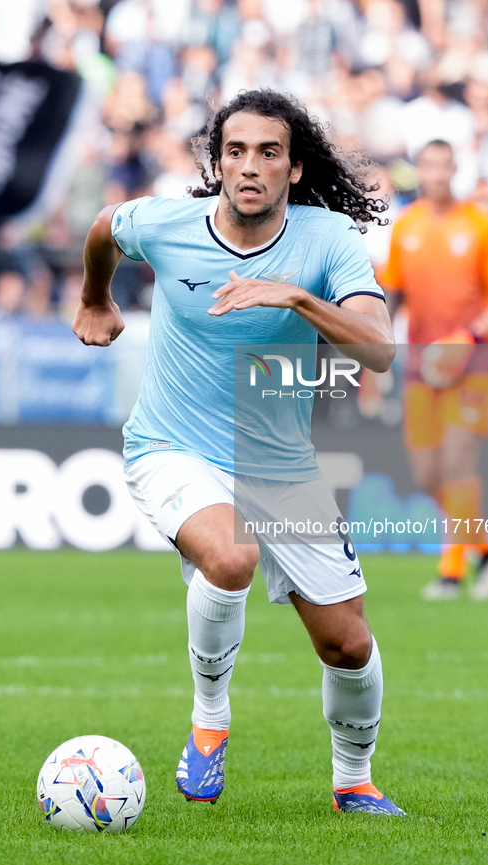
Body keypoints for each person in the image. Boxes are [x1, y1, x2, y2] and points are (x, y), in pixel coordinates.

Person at [72, 89, 405, 816]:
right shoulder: (167, 223)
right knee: (230, 556)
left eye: (268, 152)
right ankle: (209, 721)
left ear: (292, 168)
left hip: (280, 465)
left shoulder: (327, 240)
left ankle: (353, 779)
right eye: (234, 150)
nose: (248, 166)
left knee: (347, 645)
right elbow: (104, 227)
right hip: (171, 445)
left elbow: (378, 350)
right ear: (216, 161)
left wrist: (292, 297)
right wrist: (97, 297)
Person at [381, 139, 488, 601]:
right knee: (426, 476)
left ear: (455, 168)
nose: (436, 174)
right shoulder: (406, 227)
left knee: (458, 460)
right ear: (418, 170)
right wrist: (375, 353)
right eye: (428, 166)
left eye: (444, 165)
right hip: (421, 364)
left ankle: (451, 572)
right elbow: (392, 293)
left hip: (472, 363)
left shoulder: (481, 225)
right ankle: (486, 550)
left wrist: (470, 335)